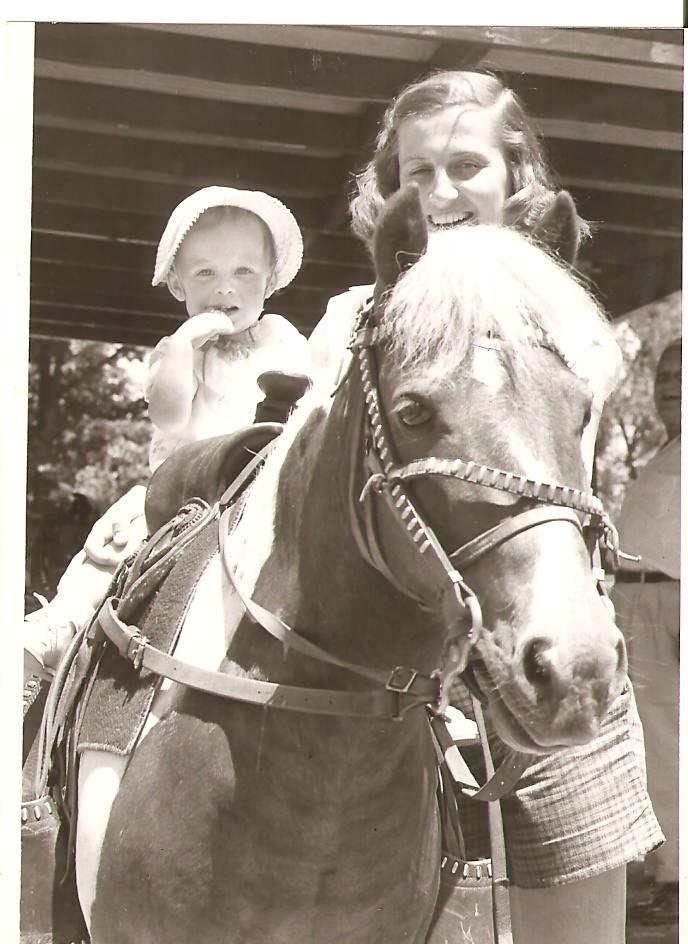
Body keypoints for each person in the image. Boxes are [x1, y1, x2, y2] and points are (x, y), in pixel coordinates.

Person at [307, 70, 663, 944]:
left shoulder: (561, 321)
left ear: (515, 176)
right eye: (416, 172)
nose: (441, 191)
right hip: (387, 675)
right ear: (391, 192)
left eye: (467, 166)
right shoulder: (351, 319)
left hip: (541, 632)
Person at [23, 185, 310, 679]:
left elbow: (311, 401)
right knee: (123, 536)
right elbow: (170, 417)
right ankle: (61, 626)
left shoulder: (282, 338)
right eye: (206, 273)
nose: (225, 288)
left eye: (244, 272)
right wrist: (184, 347)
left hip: (264, 490)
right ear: (178, 283)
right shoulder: (179, 349)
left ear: (271, 279)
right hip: (185, 494)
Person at [612, 337, 681, 926]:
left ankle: (677, 880)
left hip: (670, 601)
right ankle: (664, 866)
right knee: (647, 741)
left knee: (666, 740)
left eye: (684, 377)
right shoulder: (666, 450)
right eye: (664, 377)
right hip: (636, 599)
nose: (670, 388)